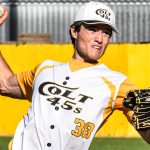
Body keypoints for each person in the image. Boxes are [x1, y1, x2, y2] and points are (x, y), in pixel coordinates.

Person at [0, 1, 150, 150]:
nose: (100, 39)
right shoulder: (45, 68)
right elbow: (5, 84)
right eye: (93, 29)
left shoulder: (117, 84)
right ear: (74, 31)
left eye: (106, 33)